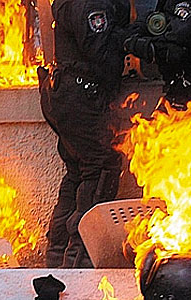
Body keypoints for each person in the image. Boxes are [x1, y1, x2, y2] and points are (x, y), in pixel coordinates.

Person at [39, 0, 132, 268]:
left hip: (66, 92)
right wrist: (127, 41)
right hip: (81, 95)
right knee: (101, 168)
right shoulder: (91, 3)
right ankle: (78, 261)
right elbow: (100, 52)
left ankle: (58, 256)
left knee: (79, 171)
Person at [123, 0, 191, 106]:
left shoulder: (189, 5)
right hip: (179, 83)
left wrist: (146, 46)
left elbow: (176, 46)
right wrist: (138, 29)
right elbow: (158, 20)